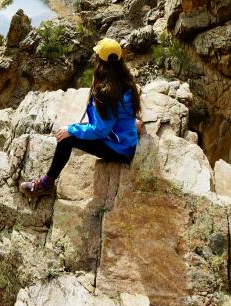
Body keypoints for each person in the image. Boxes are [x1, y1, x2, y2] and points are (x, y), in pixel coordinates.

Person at [20, 37, 142, 199]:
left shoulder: (106, 92)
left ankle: (45, 184)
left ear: (100, 61)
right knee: (74, 130)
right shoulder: (126, 81)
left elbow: (100, 130)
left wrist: (71, 130)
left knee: (65, 138)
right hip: (125, 140)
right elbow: (120, 113)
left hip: (119, 150)